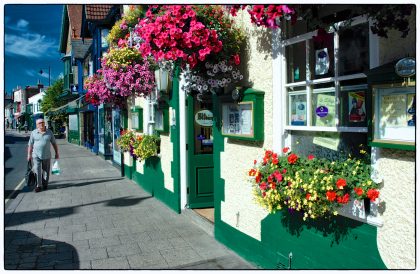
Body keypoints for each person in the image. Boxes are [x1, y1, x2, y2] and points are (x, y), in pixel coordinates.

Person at [27, 118, 59, 192]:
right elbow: (30, 144)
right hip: (36, 155)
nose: (41, 124)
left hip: (46, 155)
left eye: (42, 122)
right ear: (37, 125)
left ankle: (45, 184)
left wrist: (57, 153)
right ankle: (38, 186)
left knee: (46, 171)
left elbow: (54, 143)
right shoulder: (33, 133)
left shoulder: (49, 132)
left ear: (44, 123)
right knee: (37, 170)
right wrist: (29, 155)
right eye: (39, 123)